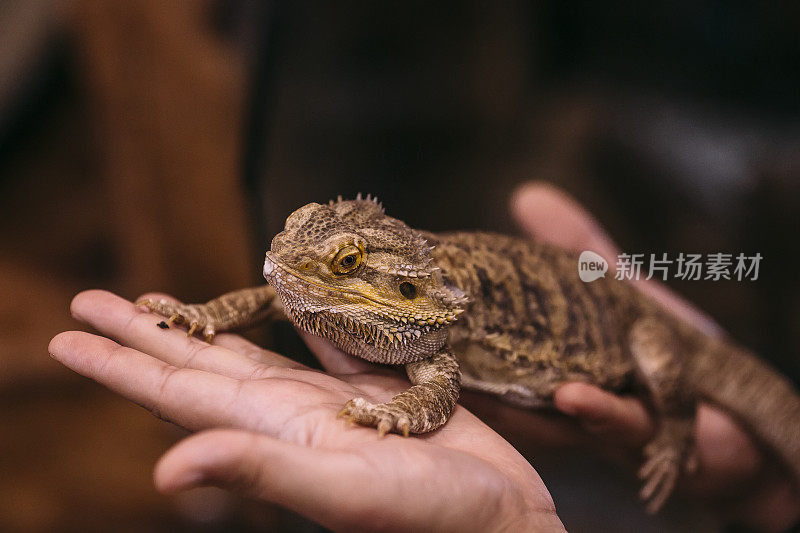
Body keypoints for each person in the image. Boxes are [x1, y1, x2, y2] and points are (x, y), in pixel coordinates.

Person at [49, 184, 800, 531]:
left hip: (633, 328)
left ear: (404, 286)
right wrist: (204, 316)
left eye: (343, 262)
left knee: (668, 372)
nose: (283, 259)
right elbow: (271, 292)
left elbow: (434, 390)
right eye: (296, 232)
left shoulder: (429, 339)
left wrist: (677, 436)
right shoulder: (360, 295)